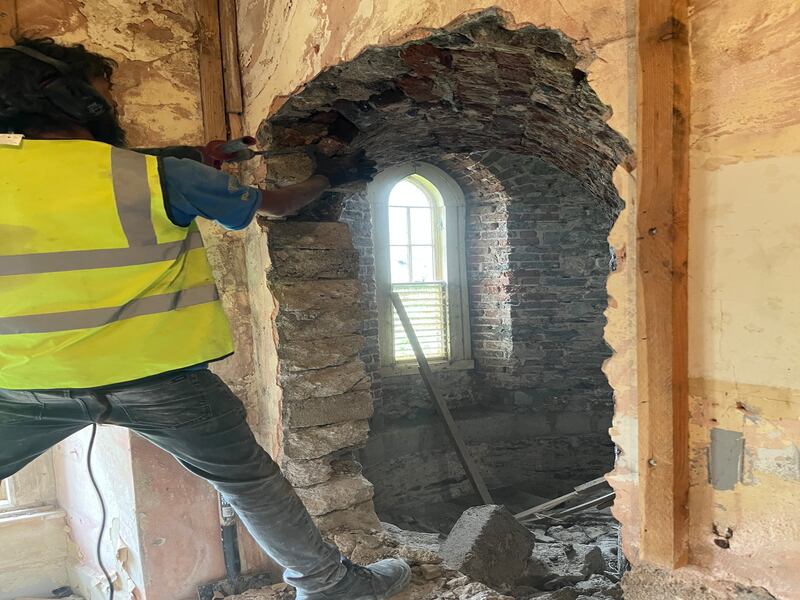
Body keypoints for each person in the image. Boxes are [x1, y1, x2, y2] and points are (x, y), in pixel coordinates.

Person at [0, 37, 411, 600]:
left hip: (19, 382)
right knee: (250, 482)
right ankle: (329, 585)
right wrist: (330, 179)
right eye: (103, 96)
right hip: (159, 377)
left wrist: (205, 152)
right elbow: (282, 204)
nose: (111, 106)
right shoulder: (151, 175)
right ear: (77, 103)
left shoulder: (150, 168)